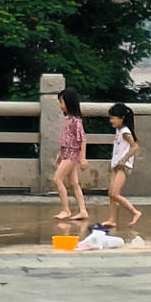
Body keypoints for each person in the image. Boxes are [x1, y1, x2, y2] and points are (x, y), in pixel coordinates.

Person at [101, 103, 141, 229]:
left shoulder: (125, 131)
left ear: (122, 118)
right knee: (111, 193)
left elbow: (135, 147)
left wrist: (124, 160)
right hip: (116, 165)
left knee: (114, 194)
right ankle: (112, 219)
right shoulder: (119, 131)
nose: (111, 120)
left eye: (113, 118)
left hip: (123, 166)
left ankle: (134, 212)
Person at [52, 87, 89, 221]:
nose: (61, 106)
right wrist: (61, 155)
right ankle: (83, 210)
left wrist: (83, 158)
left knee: (57, 179)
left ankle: (66, 210)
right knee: (74, 183)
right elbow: (66, 139)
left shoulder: (75, 121)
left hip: (72, 155)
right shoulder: (68, 119)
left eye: (62, 103)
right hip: (67, 154)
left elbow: (82, 139)